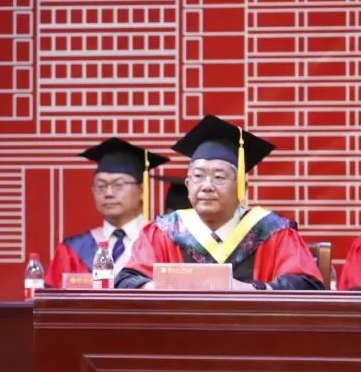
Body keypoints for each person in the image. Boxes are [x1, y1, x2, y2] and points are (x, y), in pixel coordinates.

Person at [116, 115, 323, 290]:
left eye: (219, 177)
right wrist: (162, 286)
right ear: (188, 184)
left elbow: (307, 286)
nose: (206, 186)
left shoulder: (272, 231)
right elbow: (126, 282)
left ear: (242, 187)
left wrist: (251, 290)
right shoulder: (164, 231)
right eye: (198, 176)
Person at [45, 138, 169, 288]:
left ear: (142, 190)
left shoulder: (162, 242)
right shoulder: (73, 249)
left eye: (119, 184)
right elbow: (51, 300)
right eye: (101, 185)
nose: (108, 193)